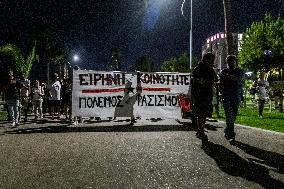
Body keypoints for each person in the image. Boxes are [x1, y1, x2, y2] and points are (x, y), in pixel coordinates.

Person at [191, 52, 217, 142]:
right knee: (201, 114)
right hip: (199, 95)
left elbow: (214, 79)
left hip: (207, 95)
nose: (213, 62)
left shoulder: (210, 70)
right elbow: (197, 81)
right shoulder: (198, 69)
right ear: (207, 60)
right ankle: (201, 131)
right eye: (211, 60)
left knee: (203, 114)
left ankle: (200, 130)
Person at [220, 55, 244, 143]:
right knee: (229, 116)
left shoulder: (239, 71)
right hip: (226, 96)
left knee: (233, 116)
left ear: (235, 62)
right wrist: (221, 92)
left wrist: (227, 76)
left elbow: (239, 79)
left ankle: (227, 129)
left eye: (232, 61)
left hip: (236, 95)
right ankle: (231, 135)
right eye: (229, 61)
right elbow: (221, 84)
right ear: (227, 62)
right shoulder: (224, 71)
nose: (231, 63)